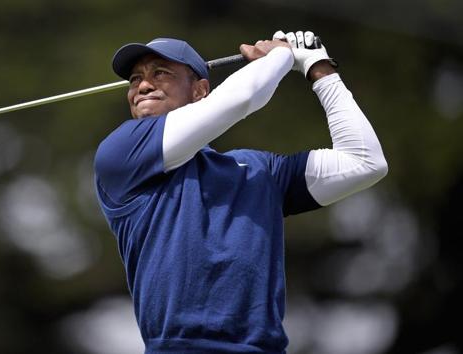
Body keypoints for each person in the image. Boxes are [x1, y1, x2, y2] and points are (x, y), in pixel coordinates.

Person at [93, 31, 388, 354]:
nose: (143, 86)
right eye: (135, 79)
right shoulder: (120, 154)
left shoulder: (258, 169)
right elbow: (244, 96)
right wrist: (284, 54)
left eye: (160, 73)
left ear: (200, 90)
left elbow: (364, 161)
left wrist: (319, 68)